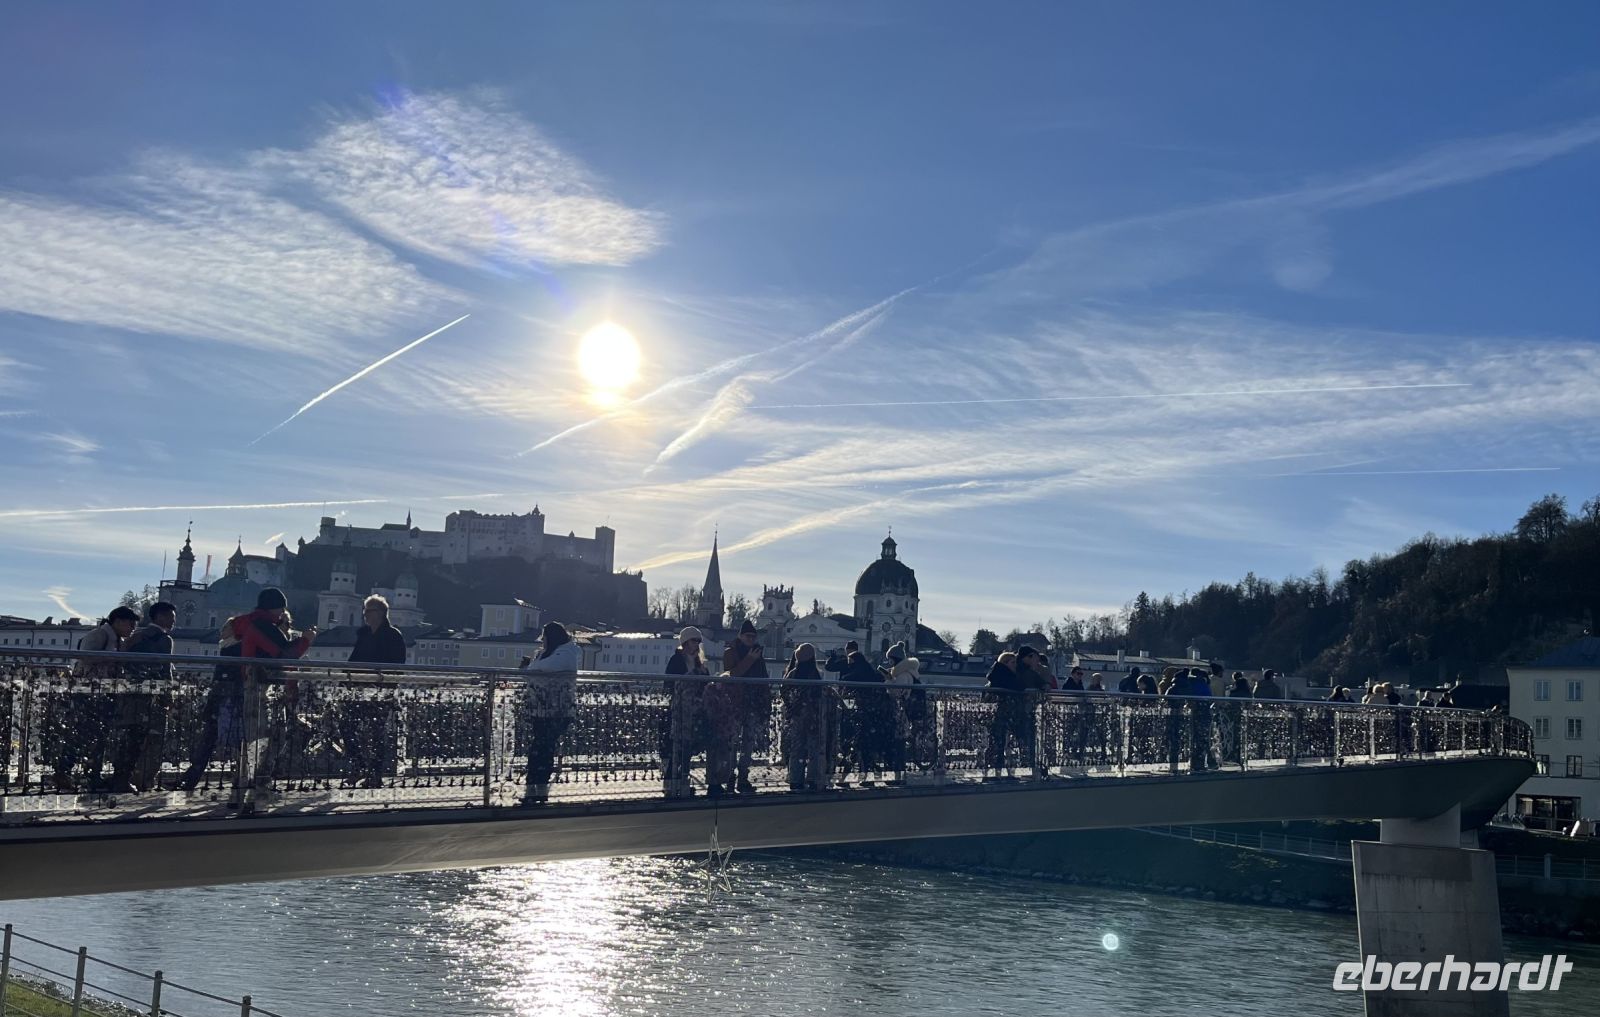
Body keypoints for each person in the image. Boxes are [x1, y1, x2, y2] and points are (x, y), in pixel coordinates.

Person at [237, 588, 316, 806]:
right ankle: (257, 788)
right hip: (261, 689)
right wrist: (306, 640)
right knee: (267, 738)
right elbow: (284, 654)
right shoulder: (264, 626)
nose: (283, 612)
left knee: (260, 739)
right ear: (275, 607)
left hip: (263, 689)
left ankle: (249, 788)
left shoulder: (259, 624)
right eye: (281, 607)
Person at [53, 606, 139, 790]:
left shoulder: (113, 637)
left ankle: (88, 774)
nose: (132, 629)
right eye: (131, 624)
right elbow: (86, 656)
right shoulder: (100, 635)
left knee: (96, 735)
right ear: (118, 621)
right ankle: (66, 771)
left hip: (101, 692)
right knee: (85, 733)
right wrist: (116, 657)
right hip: (91, 692)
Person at [109, 602, 177, 792]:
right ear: (160, 617)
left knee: (131, 735)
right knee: (153, 738)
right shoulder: (164, 639)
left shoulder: (136, 636)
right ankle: (144, 780)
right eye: (170, 616)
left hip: (131, 692)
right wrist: (167, 696)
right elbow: (165, 669)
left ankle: (121, 777)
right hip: (151, 695)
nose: (173, 621)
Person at [345, 595, 406, 789]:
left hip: (380, 693)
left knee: (376, 733)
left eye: (368, 611)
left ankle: (374, 774)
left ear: (379, 613)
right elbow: (353, 662)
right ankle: (359, 766)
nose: (364, 615)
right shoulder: (363, 635)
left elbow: (396, 665)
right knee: (347, 726)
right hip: (359, 691)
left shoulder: (393, 636)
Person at [180, 616, 245, 793]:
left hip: (226, 701)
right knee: (214, 740)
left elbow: (223, 676)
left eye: (225, 627)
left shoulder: (233, 648)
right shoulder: (230, 647)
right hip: (225, 700)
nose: (221, 631)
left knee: (212, 740)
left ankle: (191, 778)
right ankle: (191, 778)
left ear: (233, 630)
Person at [519, 622, 578, 804]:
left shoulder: (568, 652)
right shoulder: (544, 654)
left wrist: (530, 668)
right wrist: (530, 669)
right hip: (541, 708)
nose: (542, 641)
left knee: (542, 748)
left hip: (557, 710)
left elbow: (548, 667)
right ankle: (536, 789)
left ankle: (535, 789)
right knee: (541, 748)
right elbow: (536, 672)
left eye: (544, 637)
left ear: (551, 638)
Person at [825, 640, 887, 786]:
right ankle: (867, 778)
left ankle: (845, 778)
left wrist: (833, 658)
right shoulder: (870, 671)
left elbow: (833, 670)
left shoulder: (851, 676)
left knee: (849, 745)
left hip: (853, 713)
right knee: (865, 747)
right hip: (869, 714)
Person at [721, 619, 771, 795]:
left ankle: (743, 776)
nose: (750, 639)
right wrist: (750, 659)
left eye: (753, 636)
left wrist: (766, 700)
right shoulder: (731, 652)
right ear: (740, 636)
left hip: (753, 702)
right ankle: (729, 776)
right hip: (735, 702)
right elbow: (732, 674)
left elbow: (763, 678)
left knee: (748, 742)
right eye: (747, 636)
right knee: (732, 742)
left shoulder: (758, 654)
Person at [663, 626, 709, 797]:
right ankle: (671, 782)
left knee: (688, 748)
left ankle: (682, 781)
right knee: (677, 746)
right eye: (693, 640)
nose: (696, 645)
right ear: (684, 642)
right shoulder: (676, 660)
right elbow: (669, 684)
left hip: (696, 711)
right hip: (680, 710)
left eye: (698, 641)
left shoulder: (700, 662)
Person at [983, 646, 1041, 779]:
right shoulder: (1003, 677)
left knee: (999, 744)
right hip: (1001, 715)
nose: (1015, 665)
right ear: (1005, 663)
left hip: (1001, 716)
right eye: (1013, 663)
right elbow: (1018, 687)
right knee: (998, 744)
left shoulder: (997, 676)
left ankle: (997, 771)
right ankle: (996, 772)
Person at [781, 643, 829, 791]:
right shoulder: (816, 674)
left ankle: (796, 780)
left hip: (797, 716)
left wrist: (791, 706)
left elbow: (784, 691)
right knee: (814, 748)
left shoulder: (793, 673)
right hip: (814, 717)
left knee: (797, 747)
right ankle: (813, 779)